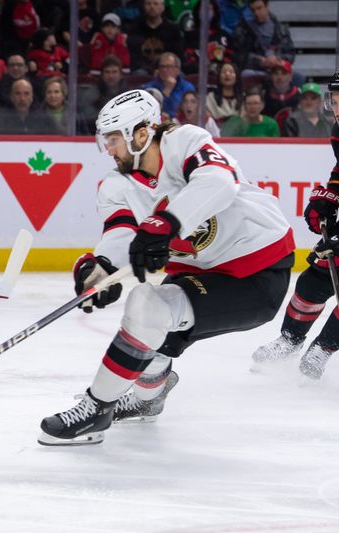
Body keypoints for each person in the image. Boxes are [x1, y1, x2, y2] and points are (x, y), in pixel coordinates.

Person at [38, 89, 294, 446]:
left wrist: (165, 223)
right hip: (198, 268)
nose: (108, 150)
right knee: (152, 335)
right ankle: (149, 399)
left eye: (113, 140)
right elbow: (120, 234)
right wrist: (100, 268)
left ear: (140, 134)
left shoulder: (185, 141)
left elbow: (219, 182)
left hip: (254, 272)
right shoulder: (115, 185)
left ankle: (97, 410)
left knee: (148, 307)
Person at [252, 71, 339, 380]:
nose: (338, 108)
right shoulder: (338, 128)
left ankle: (323, 350)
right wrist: (328, 196)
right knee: (316, 279)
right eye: (336, 100)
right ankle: (289, 340)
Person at [230, 0, 295, 83]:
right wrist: (260, 61)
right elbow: (238, 56)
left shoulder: (281, 29)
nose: (256, 13)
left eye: (259, 8)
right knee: (247, 74)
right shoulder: (243, 30)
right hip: (255, 70)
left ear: (267, 6)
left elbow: (291, 54)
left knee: (298, 77)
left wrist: (278, 59)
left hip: (278, 70)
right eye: (253, 10)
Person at [142, 52, 195, 117]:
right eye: (162, 66)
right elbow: (151, 112)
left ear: (177, 70)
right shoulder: (150, 88)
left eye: (168, 67)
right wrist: (167, 91)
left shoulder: (187, 87)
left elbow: (189, 112)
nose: (164, 70)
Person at [205, 61, 242, 126]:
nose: (227, 74)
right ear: (219, 77)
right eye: (224, 72)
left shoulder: (243, 97)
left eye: (231, 72)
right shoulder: (211, 97)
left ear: (237, 77)